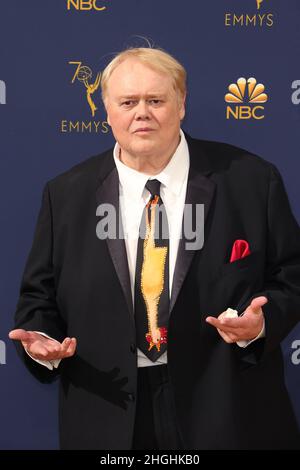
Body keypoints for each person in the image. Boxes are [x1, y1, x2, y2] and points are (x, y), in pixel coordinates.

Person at [9, 47, 300, 450]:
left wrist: (261, 326)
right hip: (108, 411)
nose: (141, 113)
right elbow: (39, 298)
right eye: (127, 102)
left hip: (227, 408)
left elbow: (291, 275)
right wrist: (43, 341)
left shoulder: (251, 180)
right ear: (106, 110)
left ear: (181, 104)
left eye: (156, 100)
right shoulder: (66, 195)